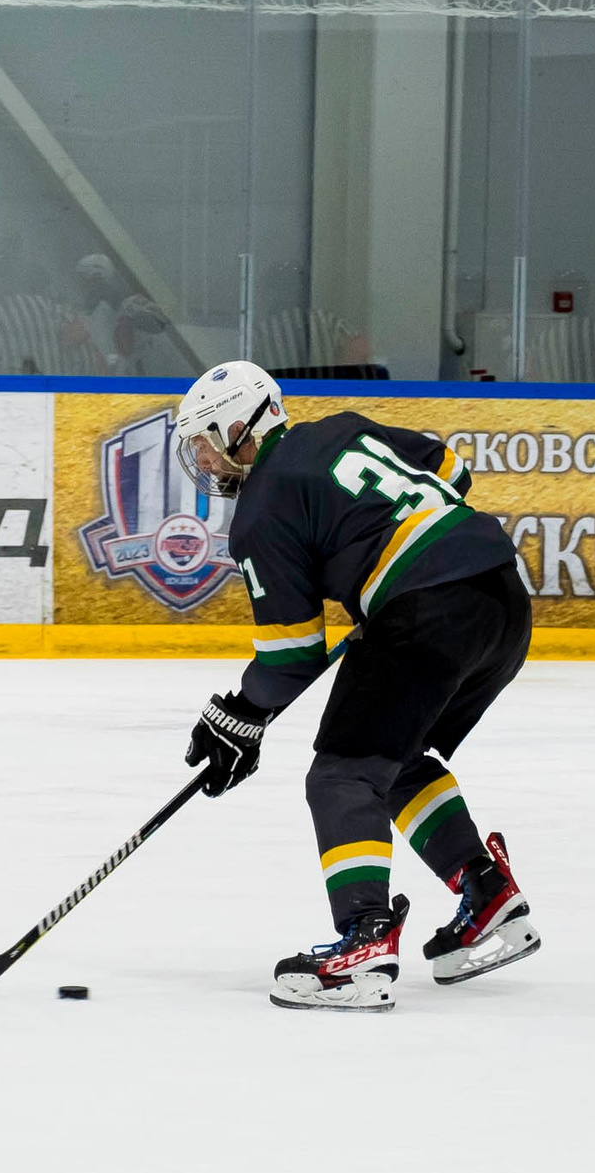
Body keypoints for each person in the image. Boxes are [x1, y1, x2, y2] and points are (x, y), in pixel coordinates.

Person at [173, 360, 544, 1013]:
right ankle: (487, 896)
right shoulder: (342, 429)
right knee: (393, 760)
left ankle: (364, 939)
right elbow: (454, 471)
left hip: (427, 609)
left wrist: (239, 714)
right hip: (503, 594)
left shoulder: (262, 506)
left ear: (238, 429)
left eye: (203, 438)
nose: (200, 456)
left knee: (341, 775)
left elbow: (290, 654)